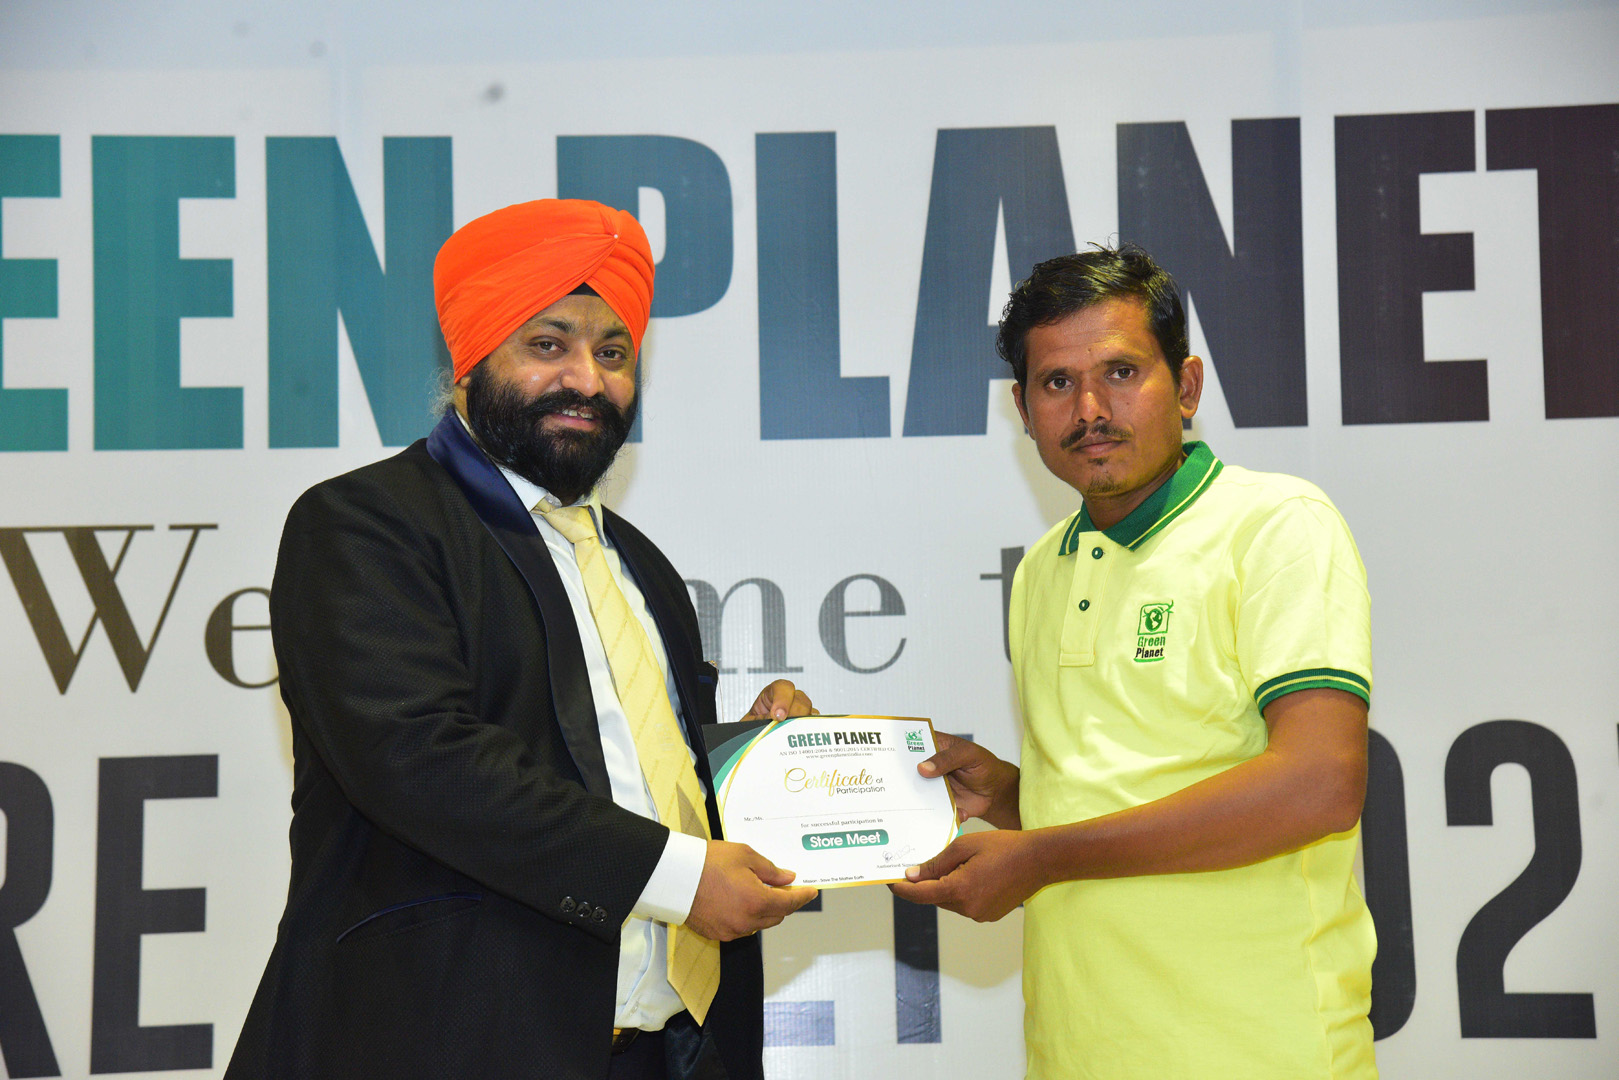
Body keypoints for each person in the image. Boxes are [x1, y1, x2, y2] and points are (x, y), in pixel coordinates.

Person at [226, 199, 818, 1080]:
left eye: (612, 353)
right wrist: (675, 877)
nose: (586, 380)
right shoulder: (365, 523)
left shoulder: (638, 566)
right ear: (470, 360)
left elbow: (636, 780)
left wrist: (760, 763)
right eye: (548, 344)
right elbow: (419, 758)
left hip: (668, 1052)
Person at [892, 246, 1377, 1079]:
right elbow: (1115, 794)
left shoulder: (1275, 524)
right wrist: (1008, 797)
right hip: (1077, 1052)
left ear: (1185, 386)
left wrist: (1043, 855)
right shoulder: (1042, 568)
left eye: (1120, 372)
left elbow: (1319, 782)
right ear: (1022, 408)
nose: (1089, 409)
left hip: (1258, 1054)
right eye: (1056, 383)